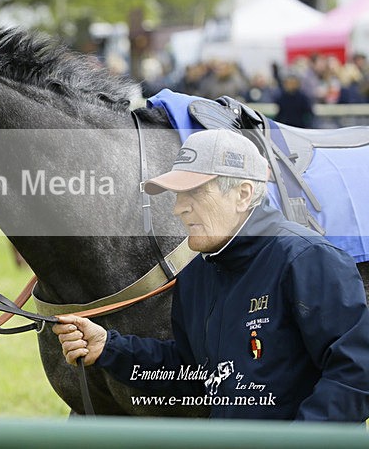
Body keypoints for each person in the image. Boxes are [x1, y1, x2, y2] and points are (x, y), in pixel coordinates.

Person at [53, 129, 369, 421]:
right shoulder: (197, 272)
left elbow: (355, 371)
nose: (178, 209)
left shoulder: (307, 259)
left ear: (243, 194)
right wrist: (109, 348)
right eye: (177, 195)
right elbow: (192, 370)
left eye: (194, 193)